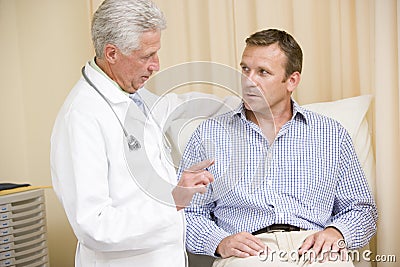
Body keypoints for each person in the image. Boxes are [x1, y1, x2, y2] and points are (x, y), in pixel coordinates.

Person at [178, 29, 378, 266]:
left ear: (291, 80)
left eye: (263, 72)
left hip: (315, 248)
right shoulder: (208, 135)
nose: (249, 80)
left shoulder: (332, 134)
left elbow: (361, 208)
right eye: (245, 69)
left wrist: (337, 232)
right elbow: (186, 212)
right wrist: (219, 242)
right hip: (248, 253)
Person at [50, 0, 216, 266]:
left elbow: (175, 105)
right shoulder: (82, 117)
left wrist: (241, 103)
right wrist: (172, 200)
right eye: (146, 56)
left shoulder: (131, 96)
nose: (156, 65)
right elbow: (94, 226)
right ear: (112, 53)